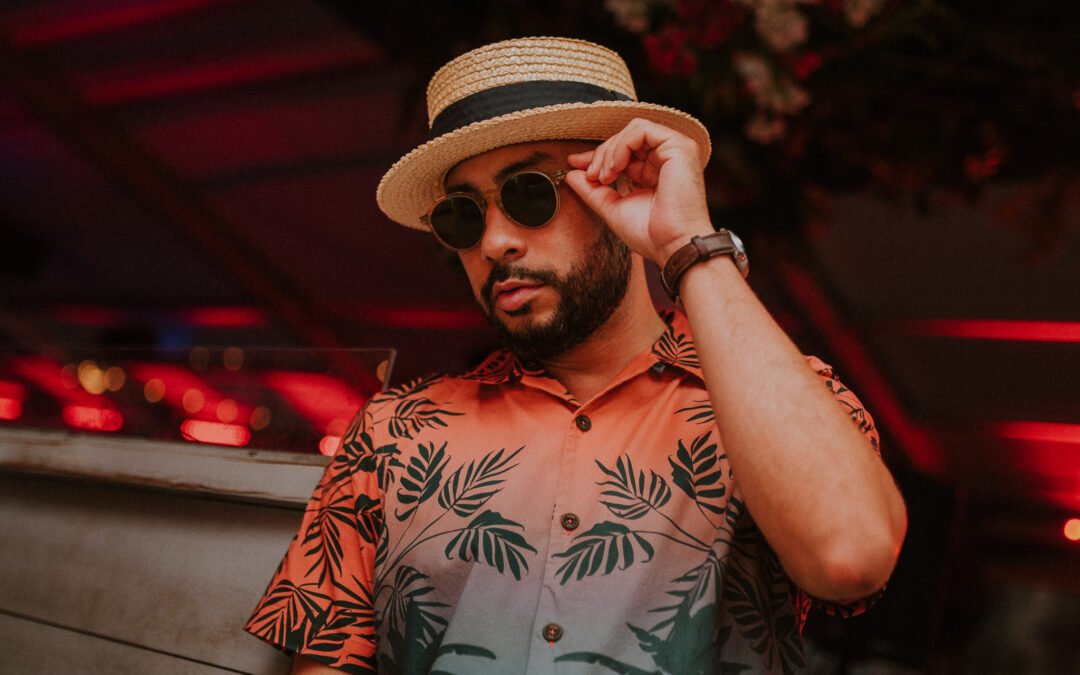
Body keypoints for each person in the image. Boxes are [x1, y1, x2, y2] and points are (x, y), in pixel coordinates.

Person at [245, 37, 907, 674]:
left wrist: (688, 246)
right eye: (464, 216)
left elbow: (851, 557)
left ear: (621, 183)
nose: (496, 241)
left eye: (529, 192)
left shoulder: (782, 399)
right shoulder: (392, 431)